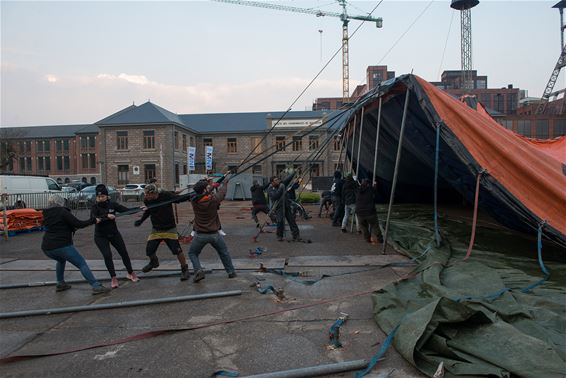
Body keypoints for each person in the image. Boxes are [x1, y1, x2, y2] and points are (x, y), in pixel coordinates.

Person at [41, 195, 110, 295]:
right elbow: (79, 224)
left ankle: (60, 283)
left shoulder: (46, 213)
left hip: (47, 247)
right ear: (60, 202)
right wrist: (93, 220)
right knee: (81, 263)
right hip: (62, 245)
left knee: (61, 260)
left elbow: (57, 225)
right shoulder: (62, 211)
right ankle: (96, 286)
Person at [134, 184, 191, 281]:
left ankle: (185, 269)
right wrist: (141, 220)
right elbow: (148, 211)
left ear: (155, 193)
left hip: (169, 228)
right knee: (149, 250)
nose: (147, 196)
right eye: (146, 194)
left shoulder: (166, 195)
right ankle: (154, 262)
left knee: (177, 250)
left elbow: (179, 199)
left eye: (148, 195)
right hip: (157, 229)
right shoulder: (147, 200)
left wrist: (193, 195)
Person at [188, 177, 237, 282]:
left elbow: (197, 192)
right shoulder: (213, 200)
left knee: (193, 253)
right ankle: (231, 272)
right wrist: (224, 183)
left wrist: (206, 184)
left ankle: (198, 270)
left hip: (200, 235)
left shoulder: (194, 201)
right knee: (224, 252)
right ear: (205, 190)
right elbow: (222, 193)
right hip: (214, 234)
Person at [91, 184, 139, 289]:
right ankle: (113, 277)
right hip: (100, 236)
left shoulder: (112, 205)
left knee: (123, 252)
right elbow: (93, 218)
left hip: (114, 233)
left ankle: (130, 272)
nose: (100, 198)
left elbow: (126, 210)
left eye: (102, 196)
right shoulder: (95, 207)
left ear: (107, 196)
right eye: (98, 197)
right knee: (107, 255)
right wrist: (106, 216)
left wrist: (139, 208)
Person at [267, 171, 300, 242]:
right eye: (275, 180)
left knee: (292, 220)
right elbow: (275, 196)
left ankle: (296, 235)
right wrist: (280, 189)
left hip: (286, 205)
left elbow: (288, 179)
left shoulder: (281, 184)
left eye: (277, 179)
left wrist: (294, 172)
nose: (278, 181)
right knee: (280, 221)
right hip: (278, 207)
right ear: (272, 182)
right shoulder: (270, 188)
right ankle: (279, 235)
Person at [355, 179, 384, 244]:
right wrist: (375, 184)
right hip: (370, 212)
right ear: (368, 184)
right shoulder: (370, 190)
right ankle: (380, 239)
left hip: (360, 213)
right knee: (375, 226)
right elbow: (375, 191)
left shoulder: (358, 190)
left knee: (363, 227)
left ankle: (367, 239)